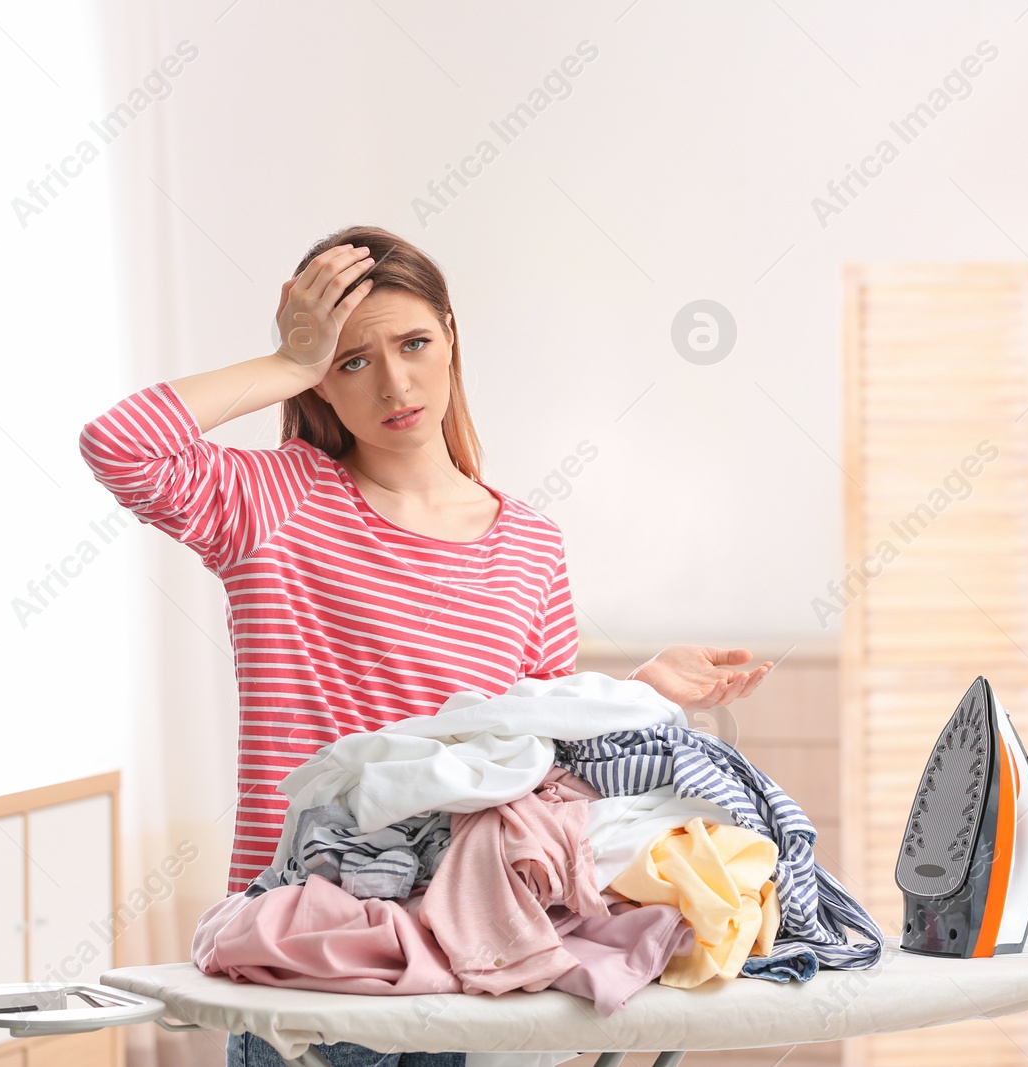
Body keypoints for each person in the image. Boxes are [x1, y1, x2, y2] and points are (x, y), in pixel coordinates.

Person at [79, 226, 773, 1067]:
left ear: (452, 337)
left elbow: (538, 764)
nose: (397, 383)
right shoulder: (273, 503)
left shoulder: (528, 542)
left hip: (477, 975)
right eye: (352, 361)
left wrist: (640, 691)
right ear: (322, 383)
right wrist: (288, 362)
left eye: (414, 344)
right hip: (309, 969)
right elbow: (119, 444)